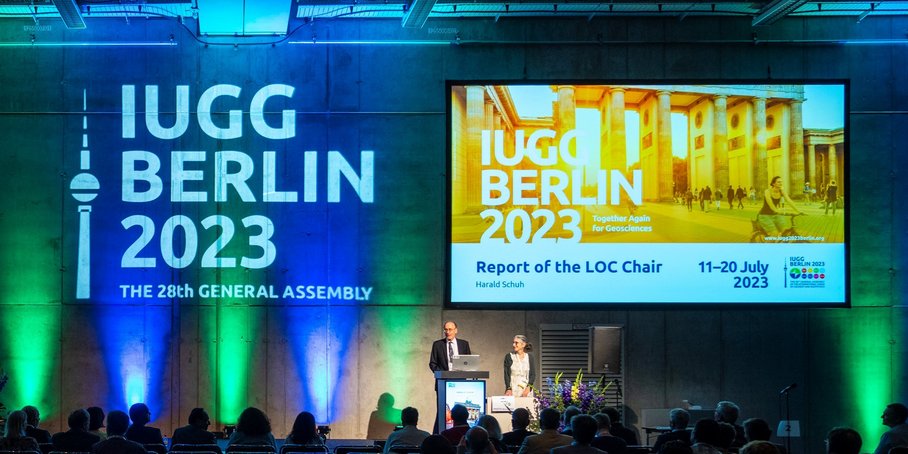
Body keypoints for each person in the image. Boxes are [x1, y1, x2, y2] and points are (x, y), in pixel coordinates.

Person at [430, 320, 472, 432]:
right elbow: (432, 364)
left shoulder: (464, 344)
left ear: (456, 330)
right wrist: (443, 374)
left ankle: (462, 431)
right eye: (446, 329)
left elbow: (469, 362)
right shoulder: (438, 345)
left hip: (460, 382)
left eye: (450, 329)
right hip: (443, 382)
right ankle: (439, 434)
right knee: (443, 411)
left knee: (460, 410)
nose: (448, 332)